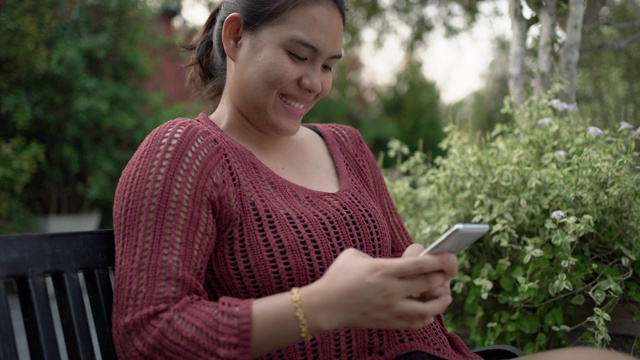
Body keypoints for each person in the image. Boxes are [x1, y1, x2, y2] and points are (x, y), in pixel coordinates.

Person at [111, 1, 637, 359]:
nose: (315, 82)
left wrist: (418, 281)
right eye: (298, 56)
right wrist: (321, 306)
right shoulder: (183, 153)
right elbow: (148, 332)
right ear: (235, 36)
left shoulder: (346, 147)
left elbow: (393, 261)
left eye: (329, 65)